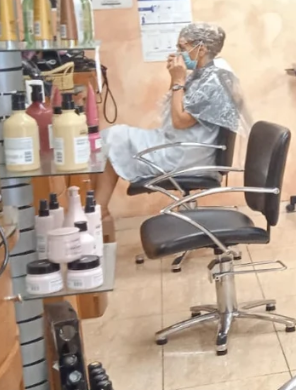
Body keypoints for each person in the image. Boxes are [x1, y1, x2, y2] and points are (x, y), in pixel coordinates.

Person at [94, 22, 250, 249]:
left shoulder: (214, 80)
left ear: (201, 48)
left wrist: (179, 80)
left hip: (188, 154)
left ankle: (99, 213)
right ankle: (100, 211)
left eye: (182, 47)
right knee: (113, 137)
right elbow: (175, 104)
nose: (178, 53)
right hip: (182, 143)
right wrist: (176, 78)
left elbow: (180, 120)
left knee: (115, 138)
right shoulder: (205, 73)